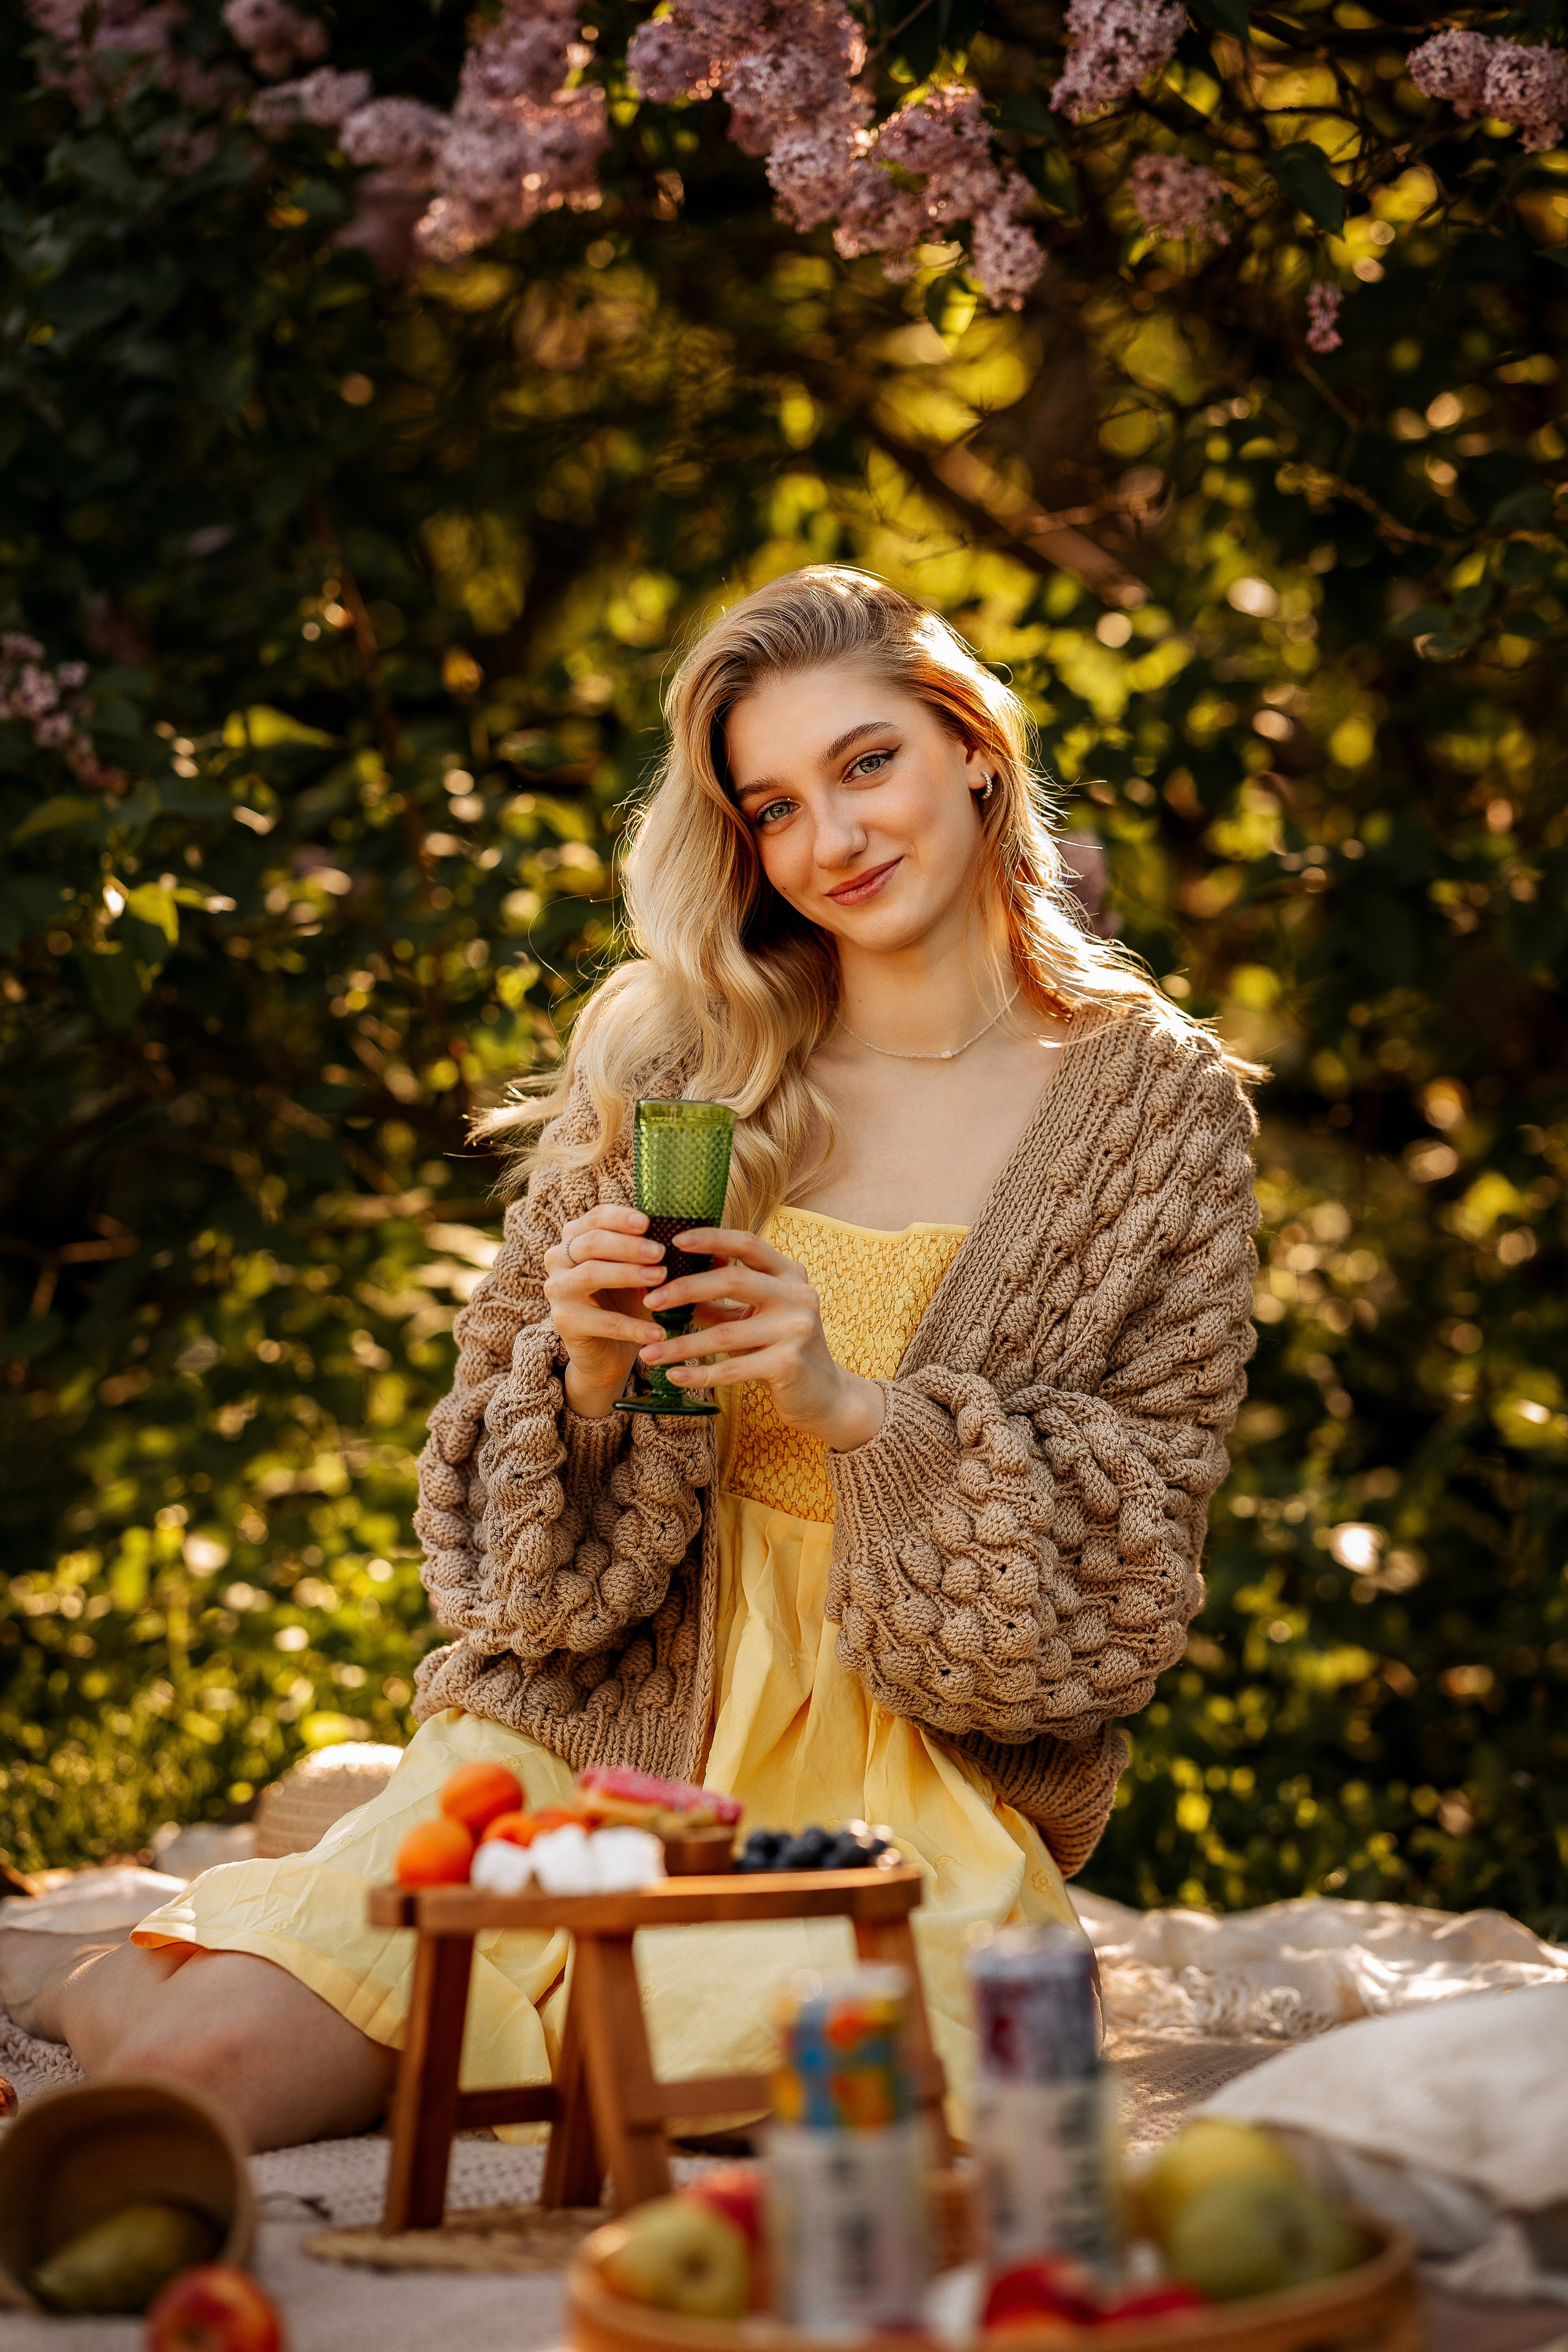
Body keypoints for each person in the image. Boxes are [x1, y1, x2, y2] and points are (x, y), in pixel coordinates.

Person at [0, 567, 1259, 2150]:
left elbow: (1122, 1579)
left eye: (868, 764)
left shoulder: (1162, 1120)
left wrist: (854, 1413)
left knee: (832, 2113)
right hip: (590, 1735)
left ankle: (259, 1928)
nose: (835, 841)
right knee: (200, 2091)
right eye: (774, 809)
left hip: (898, 1794)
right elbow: (503, 1578)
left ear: (974, 751)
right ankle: (102, 1979)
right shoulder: (684, 1061)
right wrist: (582, 1383)